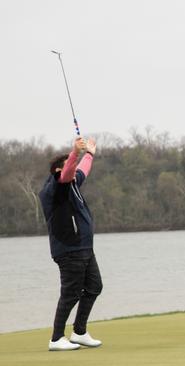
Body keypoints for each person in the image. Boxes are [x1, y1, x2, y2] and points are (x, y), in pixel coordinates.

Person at [39, 137, 103, 351]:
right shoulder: (57, 187)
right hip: (69, 249)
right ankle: (56, 338)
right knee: (71, 293)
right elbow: (68, 172)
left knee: (94, 287)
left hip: (84, 247)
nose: (74, 169)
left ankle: (79, 332)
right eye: (70, 165)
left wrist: (89, 155)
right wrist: (75, 153)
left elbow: (81, 170)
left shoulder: (72, 183)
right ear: (59, 170)